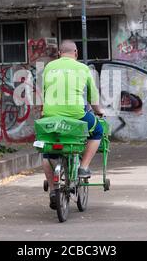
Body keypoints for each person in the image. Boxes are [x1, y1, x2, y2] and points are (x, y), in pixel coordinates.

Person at [41, 40, 105, 209]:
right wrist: (99, 112)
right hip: (76, 115)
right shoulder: (83, 68)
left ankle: (53, 190)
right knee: (98, 131)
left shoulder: (49, 67)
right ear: (76, 53)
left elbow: (43, 92)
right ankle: (83, 167)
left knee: (47, 151)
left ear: (59, 53)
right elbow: (93, 99)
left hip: (51, 117)